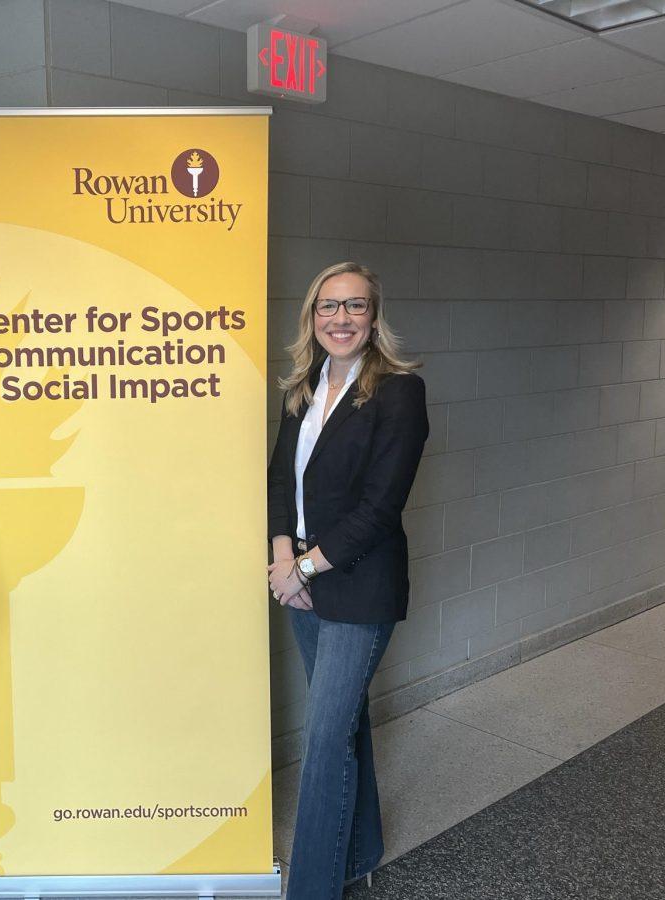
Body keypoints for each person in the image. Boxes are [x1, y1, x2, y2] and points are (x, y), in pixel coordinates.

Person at [267, 262, 428, 899]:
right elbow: (280, 476)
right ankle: (360, 850)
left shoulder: (398, 393)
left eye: (354, 307)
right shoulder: (303, 384)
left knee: (325, 737)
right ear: (312, 317)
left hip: (357, 586)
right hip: (298, 579)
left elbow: (381, 507)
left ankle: (311, 889)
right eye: (328, 307)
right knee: (347, 720)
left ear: (374, 317)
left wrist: (303, 567)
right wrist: (285, 558)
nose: (341, 319)